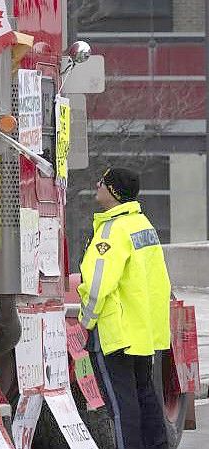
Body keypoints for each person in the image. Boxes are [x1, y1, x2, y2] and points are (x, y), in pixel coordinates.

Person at [78, 167, 171, 449]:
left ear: (114, 192)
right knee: (145, 395)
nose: (97, 185)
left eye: (103, 182)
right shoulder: (142, 225)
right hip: (142, 332)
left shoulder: (112, 230)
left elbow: (97, 284)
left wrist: (86, 320)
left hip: (115, 333)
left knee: (121, 404)